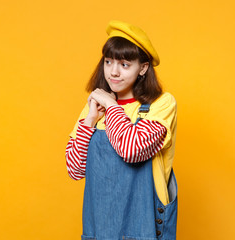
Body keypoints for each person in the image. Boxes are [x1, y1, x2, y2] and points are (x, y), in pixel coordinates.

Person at [65, 20, 178, 240]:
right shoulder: (94, 108)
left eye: (124, 64)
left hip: (143, 228)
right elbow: (75, 169)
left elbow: (132, 150)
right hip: (99, 228)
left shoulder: (161, 104)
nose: (113, 72)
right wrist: (90, 119)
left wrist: (111, 105)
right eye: (108, 62)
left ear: (143, 68)